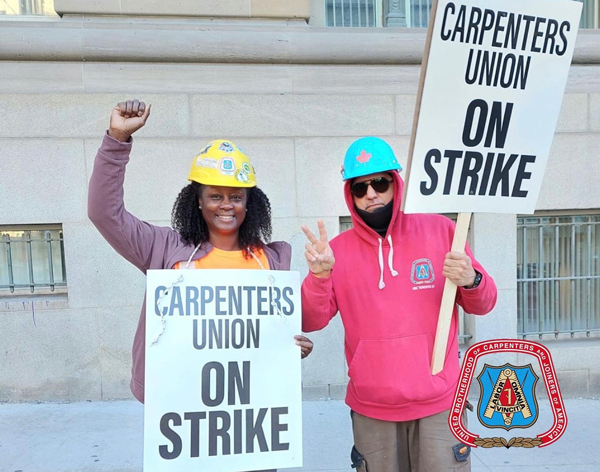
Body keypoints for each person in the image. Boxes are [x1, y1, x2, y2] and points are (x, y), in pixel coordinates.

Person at [88, 99, 313, 404]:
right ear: (198, 200)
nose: (226, 205)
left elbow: (273, 336)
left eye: (236, 196)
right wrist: (117, 141)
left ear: (250, 203)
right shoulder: (163, 248)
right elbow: (104, 213)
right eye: (215, 196)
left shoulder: (269, 262)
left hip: (249, 404)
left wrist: (292, 347)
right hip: (180, 402)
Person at [300, 137, 497, 472]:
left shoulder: (440, 230)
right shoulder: (336, 251)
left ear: (396, 182)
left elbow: (485, 303)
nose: (371, 194)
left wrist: (471, 280)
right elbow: (310, 320)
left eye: (379, 182)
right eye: (360, 188)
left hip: (438, 403)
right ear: (350, 195)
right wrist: (319, 276)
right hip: (372, 408)